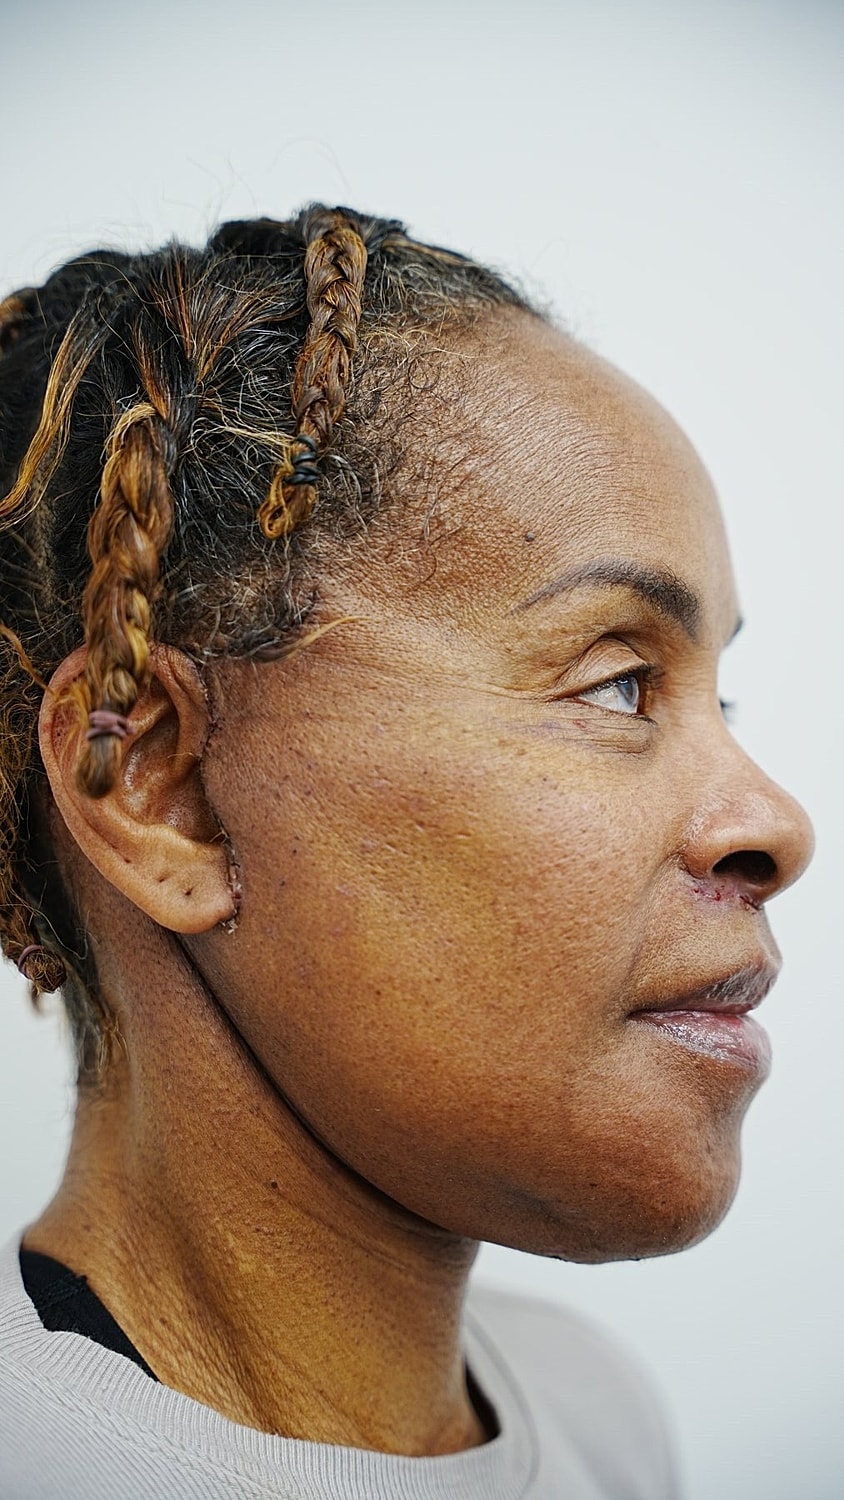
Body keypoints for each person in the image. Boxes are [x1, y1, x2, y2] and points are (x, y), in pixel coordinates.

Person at [0, 205, 813, 1499]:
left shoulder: (599, 1421)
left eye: (723, 700)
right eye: (617, 684)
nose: (776, 826)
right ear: (163, 788)